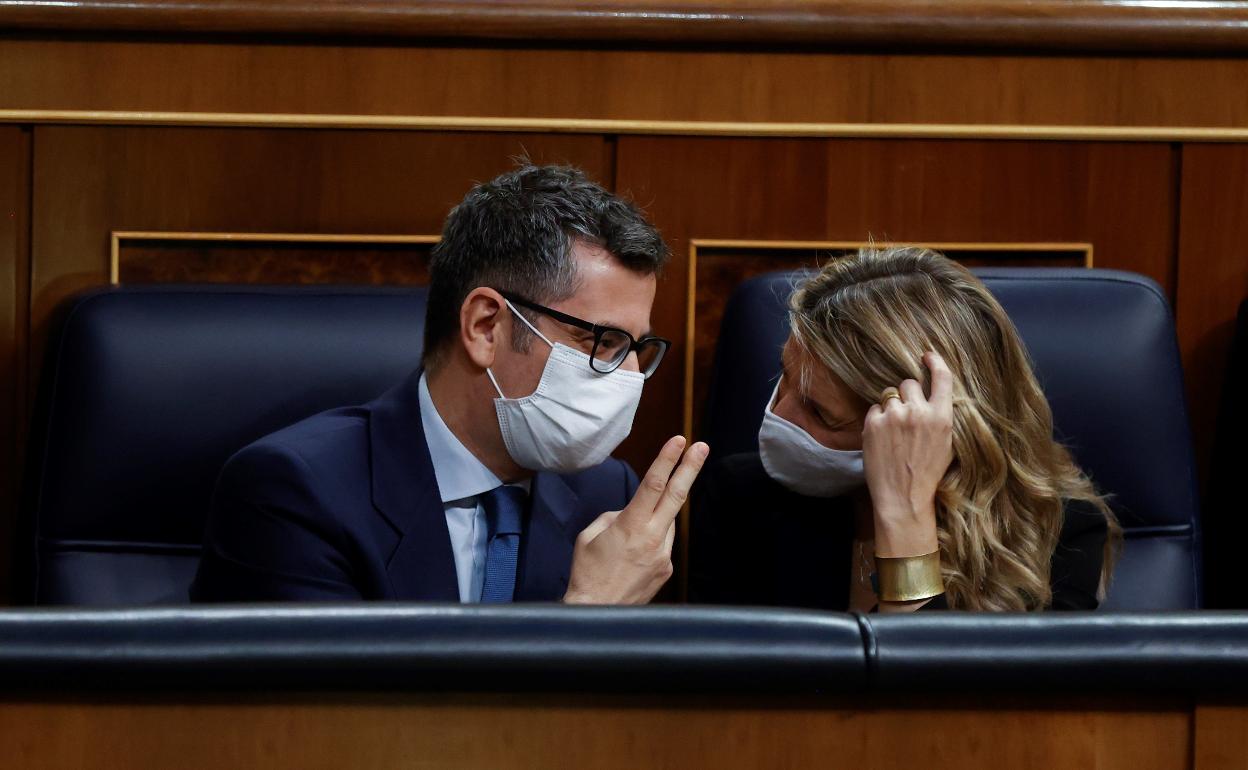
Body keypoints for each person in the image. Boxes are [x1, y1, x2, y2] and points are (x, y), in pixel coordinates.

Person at [191, 164, 707, 604]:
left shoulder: (608, 494)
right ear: (485, 327)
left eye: (635, 348)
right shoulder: (295, 493)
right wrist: (586, 619)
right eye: (600, 340)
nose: (628, 375)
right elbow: (331, 721)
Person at [690, 247, 1120, 612]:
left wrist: (904, 515)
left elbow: (937, 706)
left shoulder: (1056, 530)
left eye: (820, 414)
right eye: (782, 377)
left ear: (923, 425)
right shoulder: (742, 498)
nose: (780, 416)